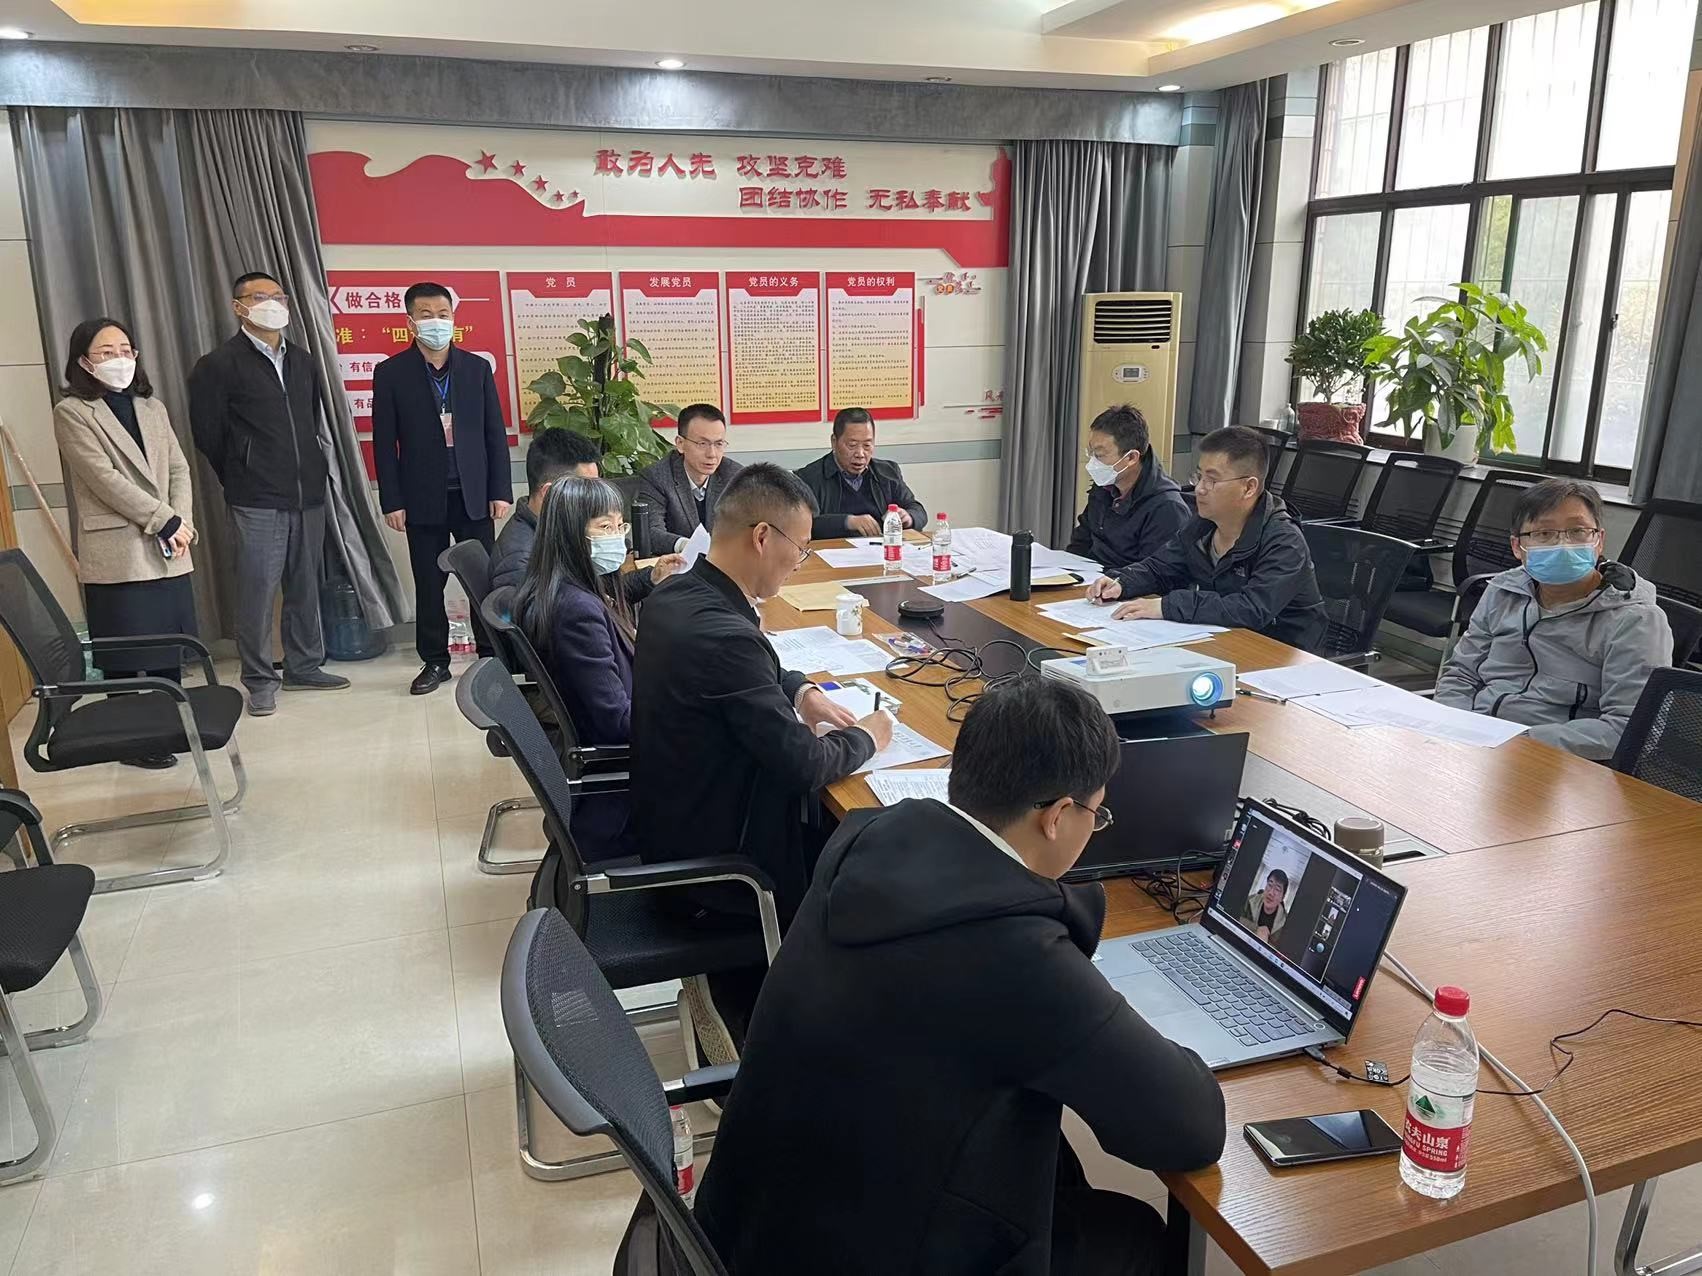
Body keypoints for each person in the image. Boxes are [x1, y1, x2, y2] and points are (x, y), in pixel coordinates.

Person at [686, 677, 1226, 1276]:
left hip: (754, 1226)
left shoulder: (867, 840)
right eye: (1096, 815)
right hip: (871, 1249)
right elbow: (1190, 1129)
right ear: (1056, 817)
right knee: (1134, 1235)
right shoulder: (1018, 956)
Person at [631, 462, 893, 919]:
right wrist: (867, 736)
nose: (799, 562)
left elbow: (748, 671)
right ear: (762, 537)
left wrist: (802, 691)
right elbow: (805, 764)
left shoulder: (673, 596)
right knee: (881, 863)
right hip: (725, 873)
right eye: (802, 548)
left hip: (672, 827)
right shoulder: (728, 638)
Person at [189, 270, 349, 717]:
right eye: (260, 297)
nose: (272, 304)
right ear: (238, 306)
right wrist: (243, 471)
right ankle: (260, 681)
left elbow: (310, 421)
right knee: (257, 591)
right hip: (255, 497)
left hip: (307, 491)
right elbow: (209, 435)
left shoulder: (303, 360)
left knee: (305, 585)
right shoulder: (218, 365)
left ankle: (304, 666)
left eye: (278, 296)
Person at [1434, 478, 1672, 761]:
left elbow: (1629, 728)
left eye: (1577, 531)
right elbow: (1461, 673)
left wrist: (1515, 743)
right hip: (1474, 743)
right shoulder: (1502, 591)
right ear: (1517, 546)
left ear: (1598, 541)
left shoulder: (1636, 620)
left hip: (1558, 760)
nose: (1563, 544)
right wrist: (1453, 726)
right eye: (1544, 533)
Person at [54, 318, 199, 769]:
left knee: (167, 648)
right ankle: (129, 741)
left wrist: (182, 521)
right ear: (84, 361)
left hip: (169, 544)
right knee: (124, 654)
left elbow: (179, 468)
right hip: (120, 549)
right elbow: (104, 480)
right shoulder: (73, 412)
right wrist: (164, 519)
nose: (119, 359)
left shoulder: (151, 407)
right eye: (106, 352)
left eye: (125, 350)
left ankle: (171, 728)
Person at [512, 477, 680, 864]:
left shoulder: (565, 587)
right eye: (605, 527)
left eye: (620, 526)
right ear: (571, 534)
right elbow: (617, 722)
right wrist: (690, 711)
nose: (617, 537)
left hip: (616, 760)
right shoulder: (576, 611)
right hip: (626, 793)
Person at [371, 281, 514, 696]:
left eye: (443, 314)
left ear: (454, 318)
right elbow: (384, 443)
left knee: (482, 580)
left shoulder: (476, 369)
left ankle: (491, 655)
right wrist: (392, 500)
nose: (436, 322)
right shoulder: (391, 373)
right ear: (410, 321)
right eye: (426, 314)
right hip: (421, 496)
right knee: (429, 583)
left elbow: (494, 433)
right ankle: (435, 661)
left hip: (474, 494)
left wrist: (500, 490)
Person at [1087, 425, 1327, 652]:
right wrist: (1122, 582)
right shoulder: (1203, 525)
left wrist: (1166, 606)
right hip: (1222, 640)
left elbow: (1251, 608)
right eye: (1199, 476)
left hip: (1282, 654)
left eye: (1212, 480)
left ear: (1249, 488)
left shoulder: (1284, 541)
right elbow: (1161, 567)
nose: (1200, 488)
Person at [1068, 404, 1190, 569]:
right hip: (1089, 577)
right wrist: (1065, 571)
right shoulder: (1105, 487)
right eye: (1091, 453)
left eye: (1100, 455)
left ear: (1131, 457)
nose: (1093, 463)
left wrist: (1110, 580)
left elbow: (1155, 573)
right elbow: (1081, 541)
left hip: (1123, 582)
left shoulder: (1166, 507)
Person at [490, 429, 600, 592]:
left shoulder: (552, 528)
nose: (595, 497)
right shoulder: (521, 562)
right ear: (549, 493)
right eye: (586, 489)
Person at [792, 406, 927, 539]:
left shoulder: (888, 472)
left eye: (867, 445)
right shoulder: (808, 478)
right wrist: (848, 522)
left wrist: (909, 517)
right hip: (833, 550)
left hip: (880, 548)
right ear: (834, 442)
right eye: (852, 445)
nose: (860, 454)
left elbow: (917, 509)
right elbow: (802, 525)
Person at [634, 403, 743, 553]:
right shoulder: (657, 477)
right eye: (702, 443)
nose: (712, 454)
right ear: (680, 444)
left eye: (718, 444)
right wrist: (684, 545)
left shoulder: (734, 475)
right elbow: (650, 532)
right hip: (676, 563)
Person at [1239, 868, 1290, 942]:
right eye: (1270, 885)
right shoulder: (1250, 901)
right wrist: (1256, 929)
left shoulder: (1285, 923)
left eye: (1277, 889)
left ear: (1282, 897)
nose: (1271, 893)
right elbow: (1234, 917)